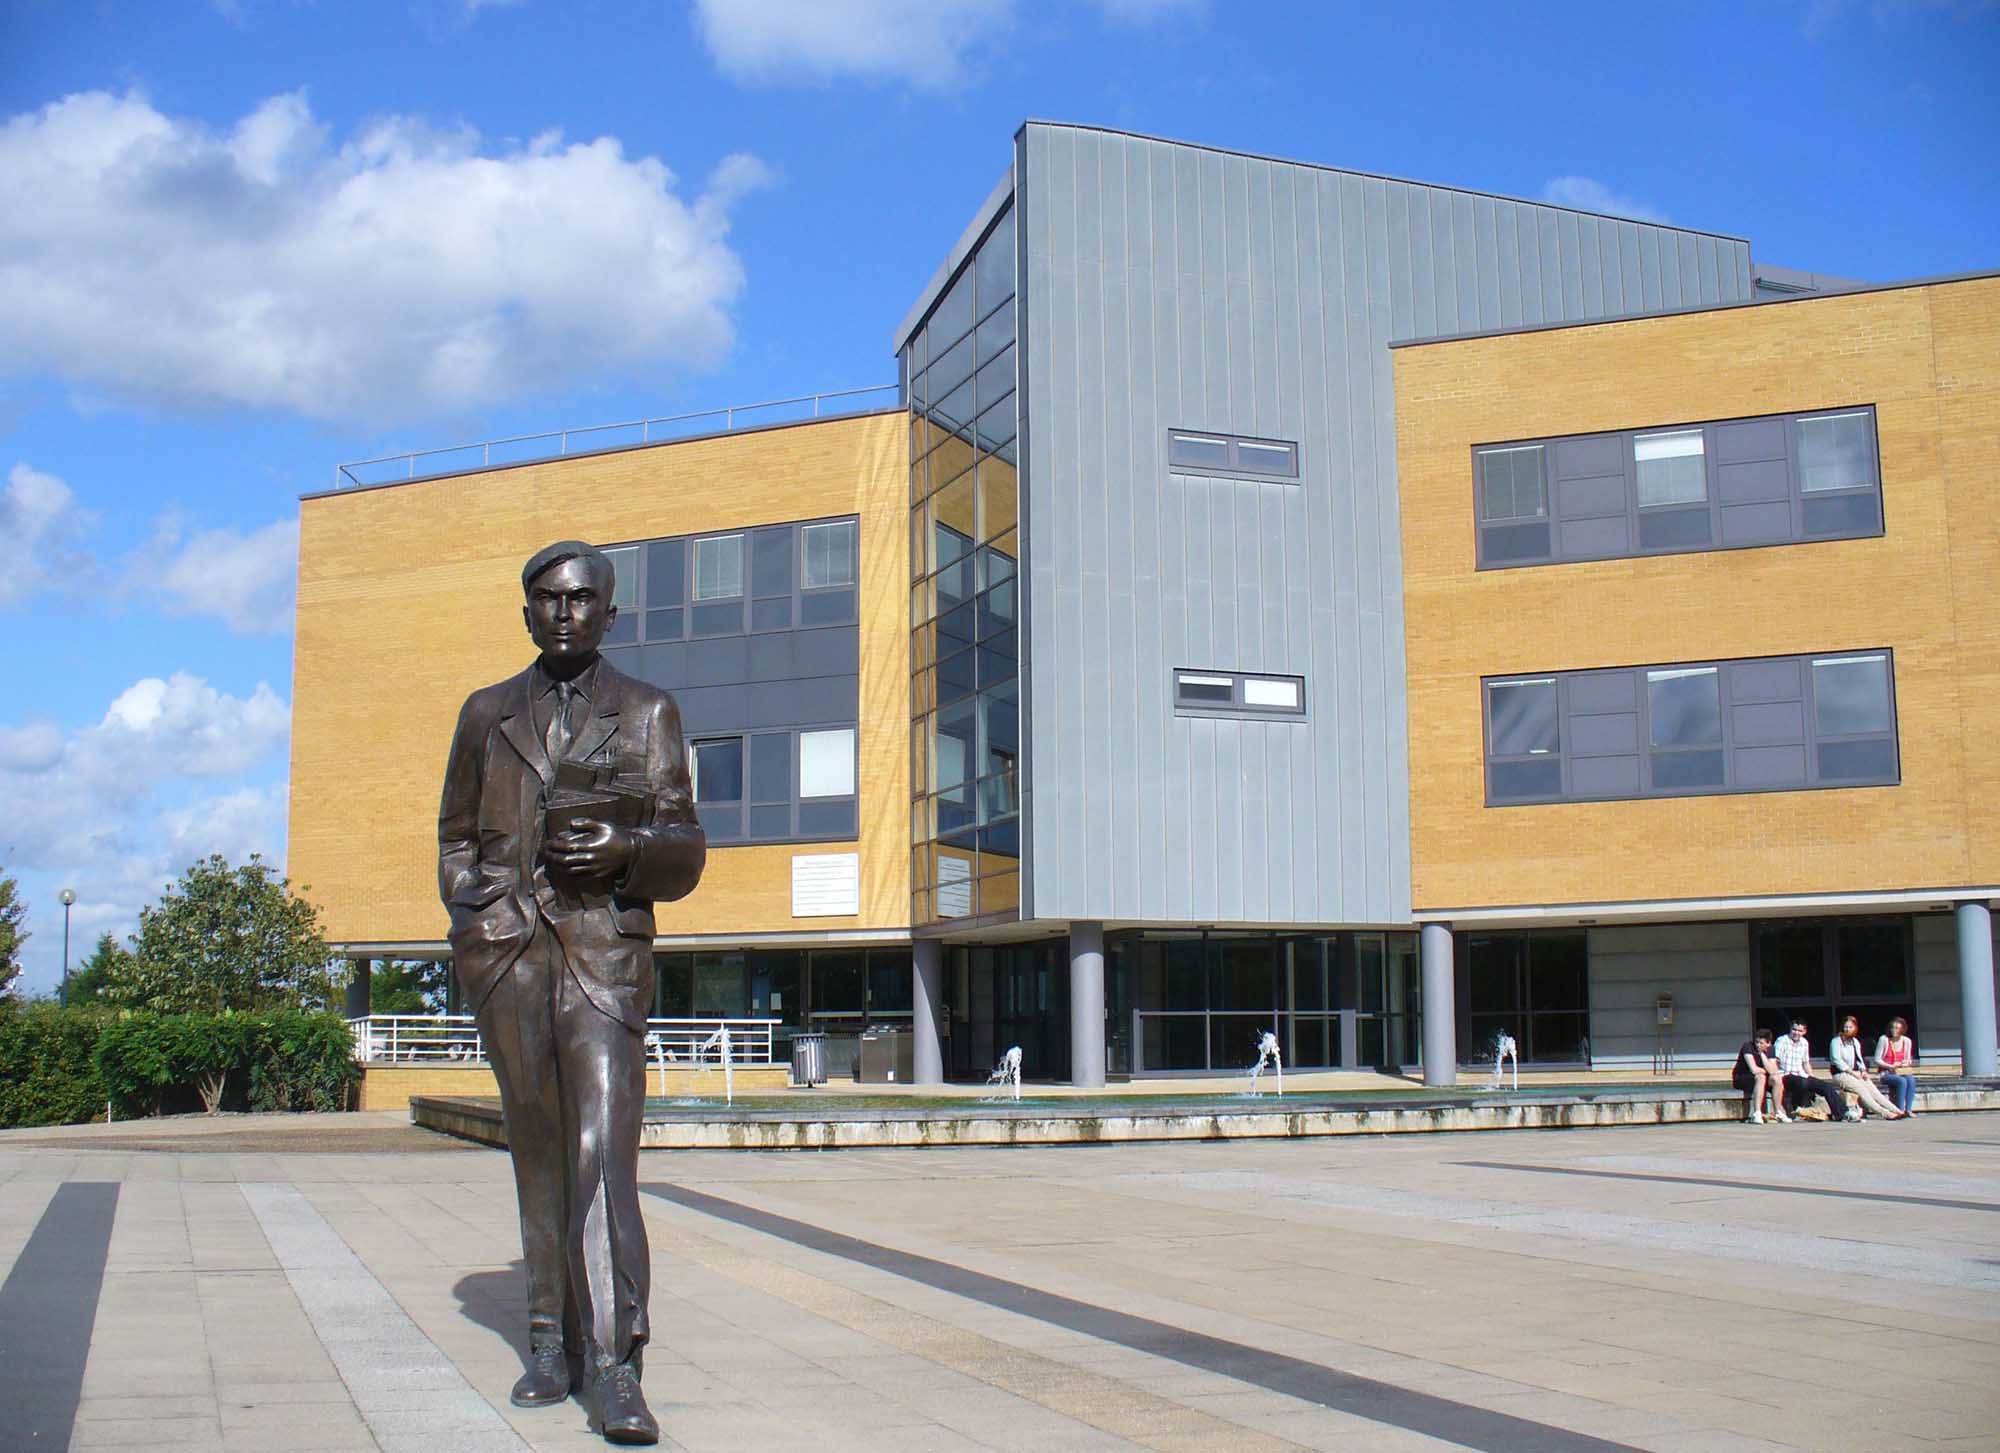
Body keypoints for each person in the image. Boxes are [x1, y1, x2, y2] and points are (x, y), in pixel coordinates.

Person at [439, 541, 706, 1445]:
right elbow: (454, 838)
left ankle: (616, 1363)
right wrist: (478, 916)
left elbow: (687, 847)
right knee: (539, 1154)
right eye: (548, 599)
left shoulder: (647, 712)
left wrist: (627, 853)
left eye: (582, 598)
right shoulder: (485, 715)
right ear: (526, 612)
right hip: (512, 959)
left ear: (609, 613)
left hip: (603, 961)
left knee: (601, 1158)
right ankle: (547, 1339)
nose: (564, 612)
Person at [1829, 1014, 1908, 1120]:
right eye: (1845, 1027)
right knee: (1862, 1090)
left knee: (1874, 1090)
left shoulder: (1855, 1042)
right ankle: (1885, 1113)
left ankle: (1897, 1110)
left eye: (1850, 1027)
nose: (1847, 1029)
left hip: (1856, 1073)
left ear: (1855, 1028)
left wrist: (1863, 1071)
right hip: (1841, 1074)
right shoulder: (1836, 1041)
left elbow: (1859, 1059)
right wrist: (1852, 1072)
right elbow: (1836, 1060)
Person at [1770, 1020, 1848, 1122]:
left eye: (1799, 1030)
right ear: (1790, 1029)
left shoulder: (1804, 1043)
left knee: (1826, 1086)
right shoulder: (1782, 1041)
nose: (1796, 1032)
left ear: (1804, 1032)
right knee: (1802, 1083)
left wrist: (1813, 1078)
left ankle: (1841, 1113)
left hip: (1801, 1074)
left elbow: (1806, 1063)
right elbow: (1775, 1061)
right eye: (1794, 1029)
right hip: (1785, 1074)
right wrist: (1776, 1077)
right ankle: (1796, 1107)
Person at [1732, 1028, 1790, 1123]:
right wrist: (1767, 1071)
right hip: (1742, 1078)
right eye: (1757, 1042)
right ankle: (1757, 1113)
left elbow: (1773, 1070)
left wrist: (1762, 1055)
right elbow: (1754, 1069)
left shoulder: (1771, 1049)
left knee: (1777, 1078)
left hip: (1760, 1077)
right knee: (1761, 1076)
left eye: (1761, 1043)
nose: (1758, 1045)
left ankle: (1778, 1111)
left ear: (1768, 1043)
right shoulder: (1748, 1047)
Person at [1874, 1016, 1918, 1116]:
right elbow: (1877, 1059)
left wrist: (1904, 1063)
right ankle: (1900, 1109)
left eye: (1897, 1028)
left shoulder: (1906, 1041)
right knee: (1901, 1081)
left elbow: (1908, 1059)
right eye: (1892, 1027)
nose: (1894, 1030)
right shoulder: (1884, 1039)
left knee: (1911, 1080)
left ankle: (1908, 1109)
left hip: (1901, 1071)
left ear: (1902, 1029)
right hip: (1886, 1072)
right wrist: (1890, 1066)